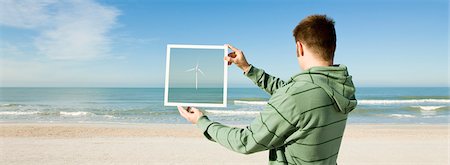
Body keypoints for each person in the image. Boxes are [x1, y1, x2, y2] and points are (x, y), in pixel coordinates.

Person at [178, 14, 357, 165]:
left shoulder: (295, 96)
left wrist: (202, 122)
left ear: (299, 47)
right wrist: (247, 68)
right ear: (333, 46)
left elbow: (246, 141)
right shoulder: (340, 86)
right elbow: (288, 91)